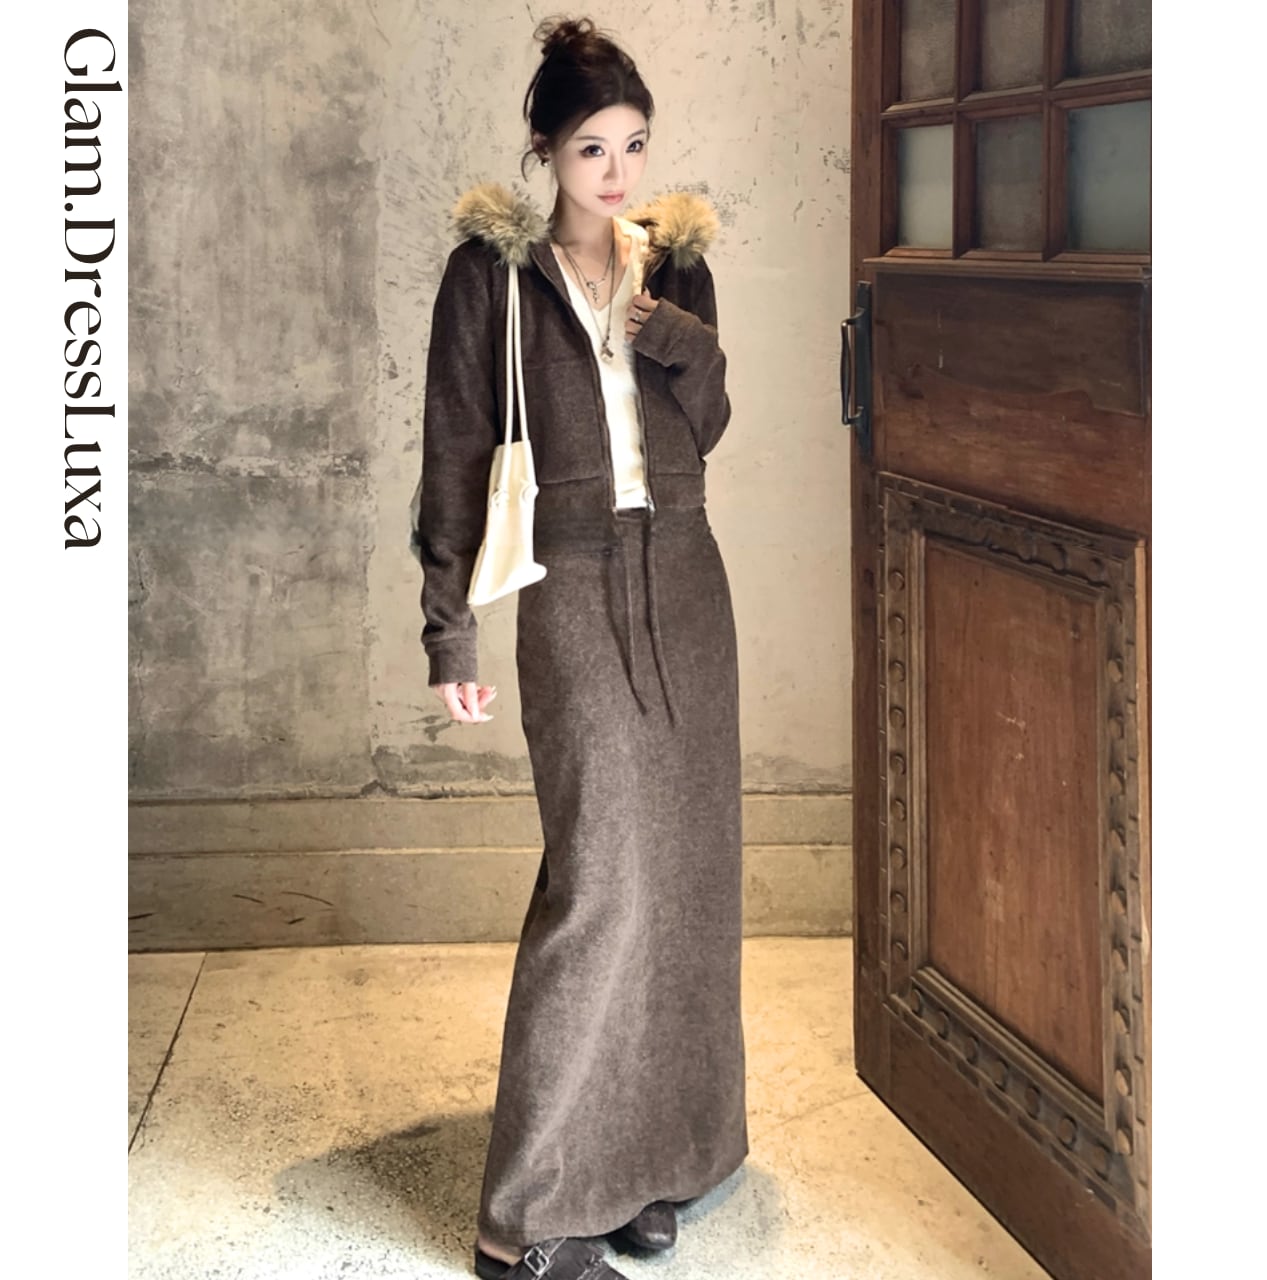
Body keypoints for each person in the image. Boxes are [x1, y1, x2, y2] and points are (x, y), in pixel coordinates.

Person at [413, 15, 747, 1280]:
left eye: (635, 145)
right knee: (600, 881)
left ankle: (648, 1162)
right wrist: (450, 630)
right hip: (569, 582)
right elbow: (455, 450)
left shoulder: (677, 266)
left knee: (688, 880)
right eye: (593, 146)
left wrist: (676, 338)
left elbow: (707, 424)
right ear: (547, 149)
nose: (617, 171)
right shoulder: (490, 277)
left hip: (687, 581)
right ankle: (522, 1221)